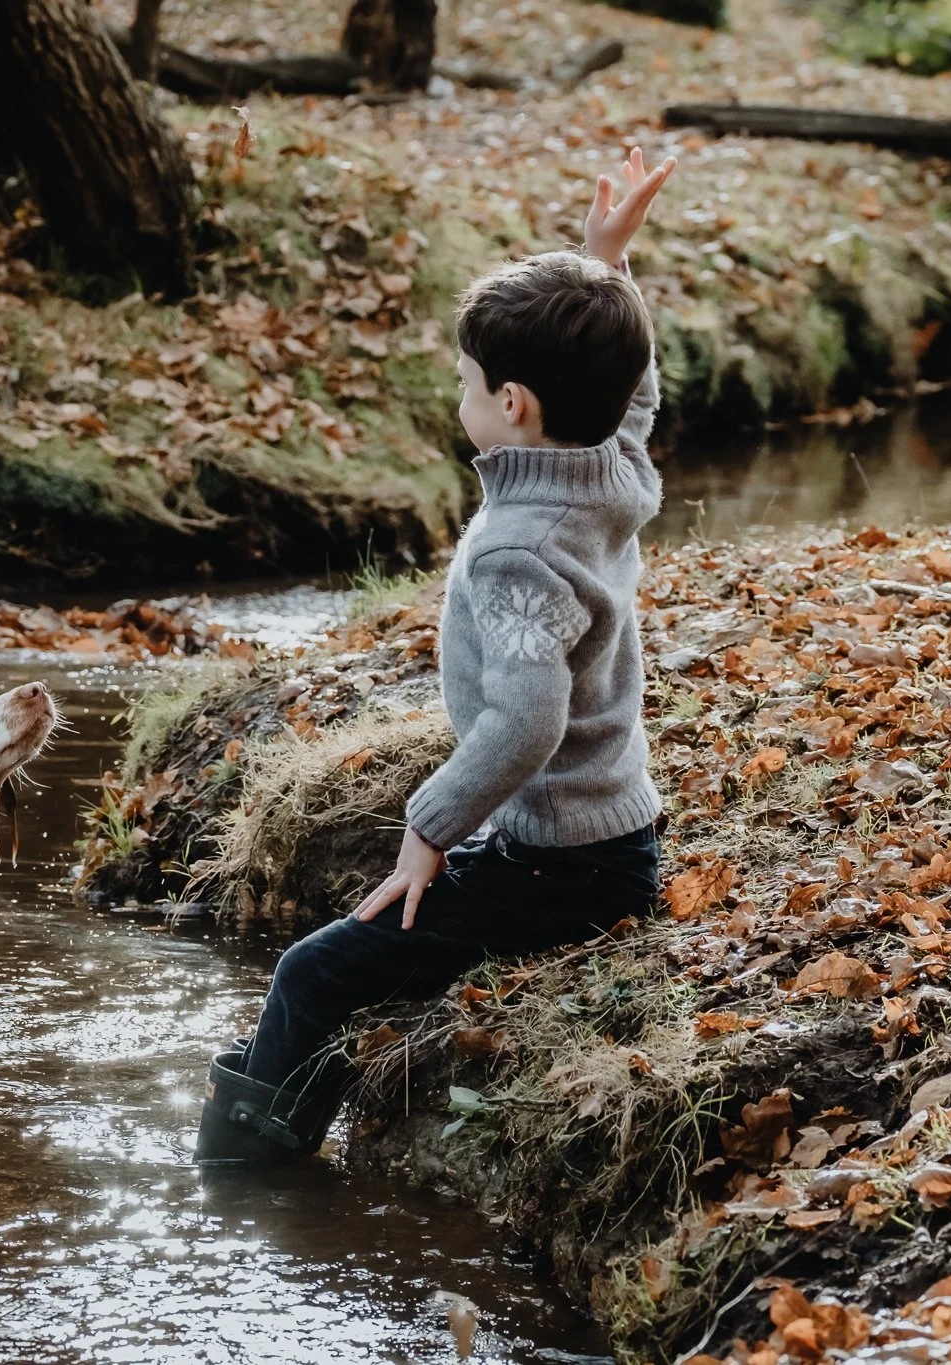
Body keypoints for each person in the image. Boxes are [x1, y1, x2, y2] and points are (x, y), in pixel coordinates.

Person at [196, 147, 679, 1164]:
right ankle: (296, 1093)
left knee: (307, 972)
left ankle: (237, 1179)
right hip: (606, 835)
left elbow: (524, 719)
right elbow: (628, 399)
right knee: (351, 955)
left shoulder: (520, 548)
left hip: (561, 864)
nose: (454, 392)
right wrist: (606, 265)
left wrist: (428, 830)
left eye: (465, 380)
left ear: (512, 405)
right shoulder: (606, 470)